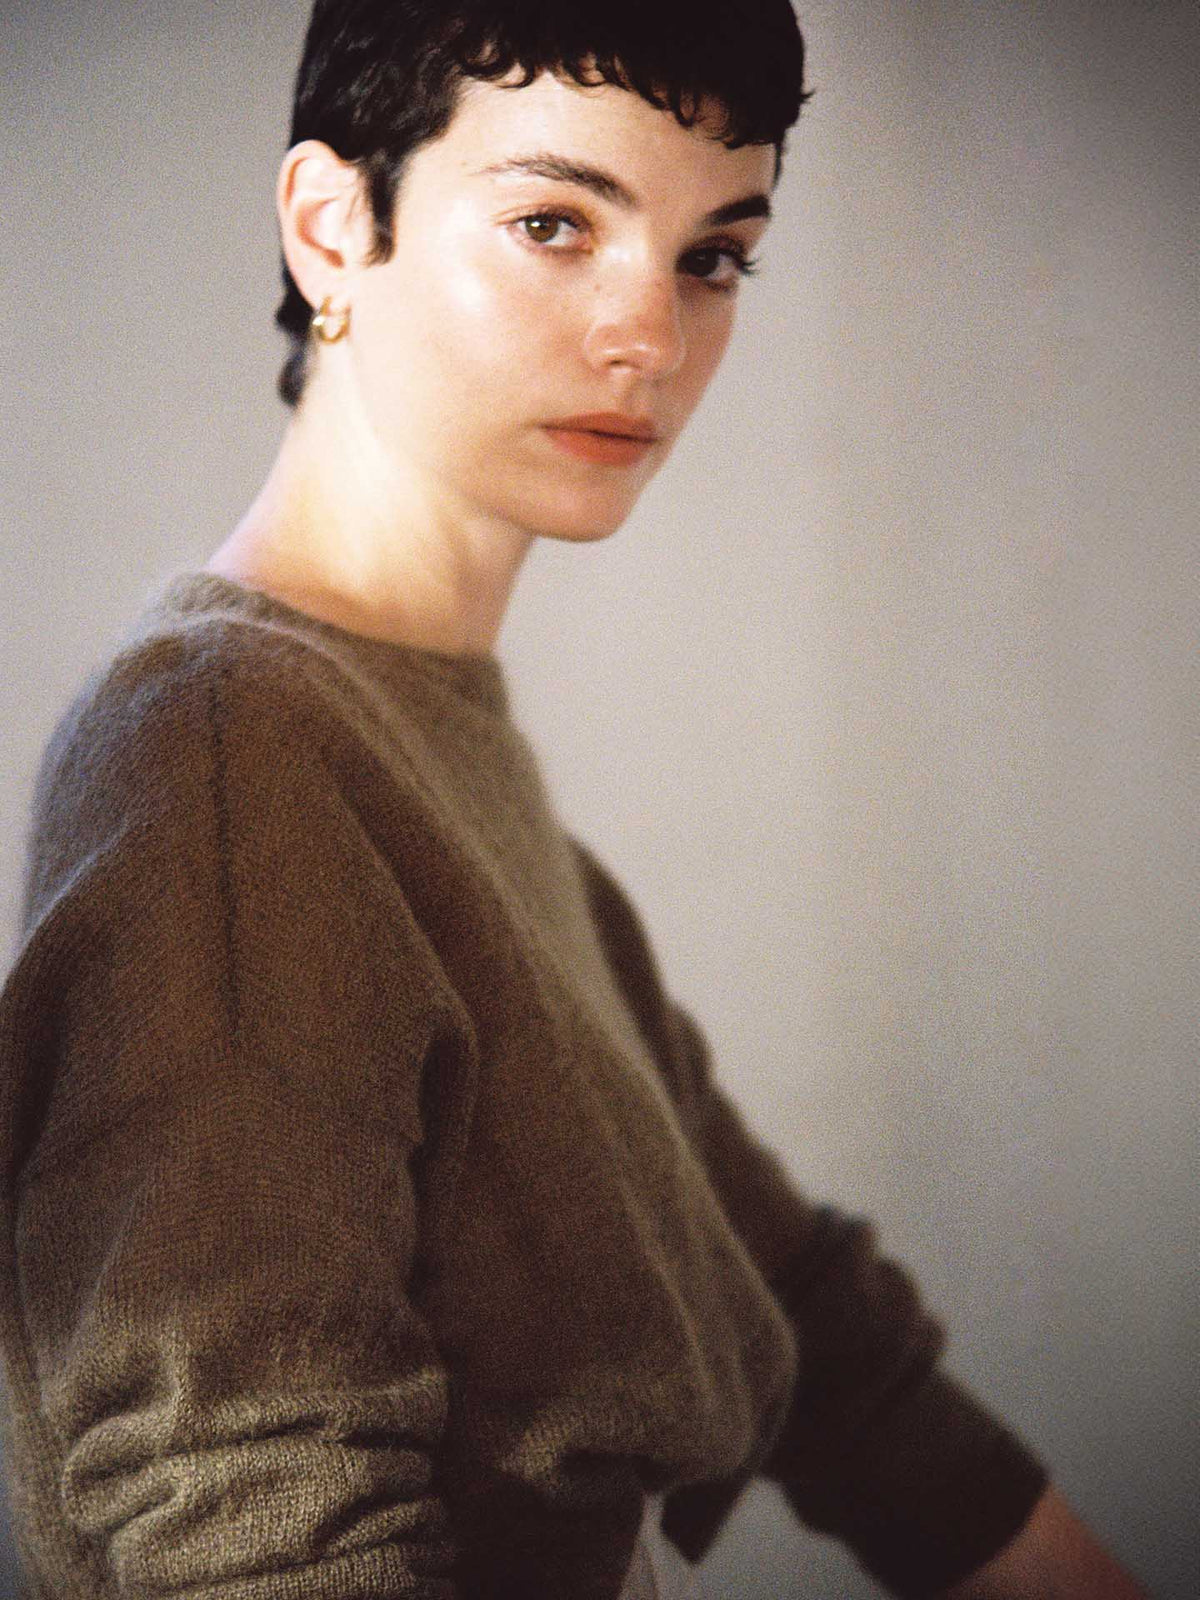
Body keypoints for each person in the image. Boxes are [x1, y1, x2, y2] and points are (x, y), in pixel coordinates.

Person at [0, 2, 1148, 1597]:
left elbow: (805, 1317)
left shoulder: (426, 752)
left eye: (712, 255)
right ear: (336, 229)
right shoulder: (224, 752)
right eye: (556, 224)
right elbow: (243, 1526)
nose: (653, 338)